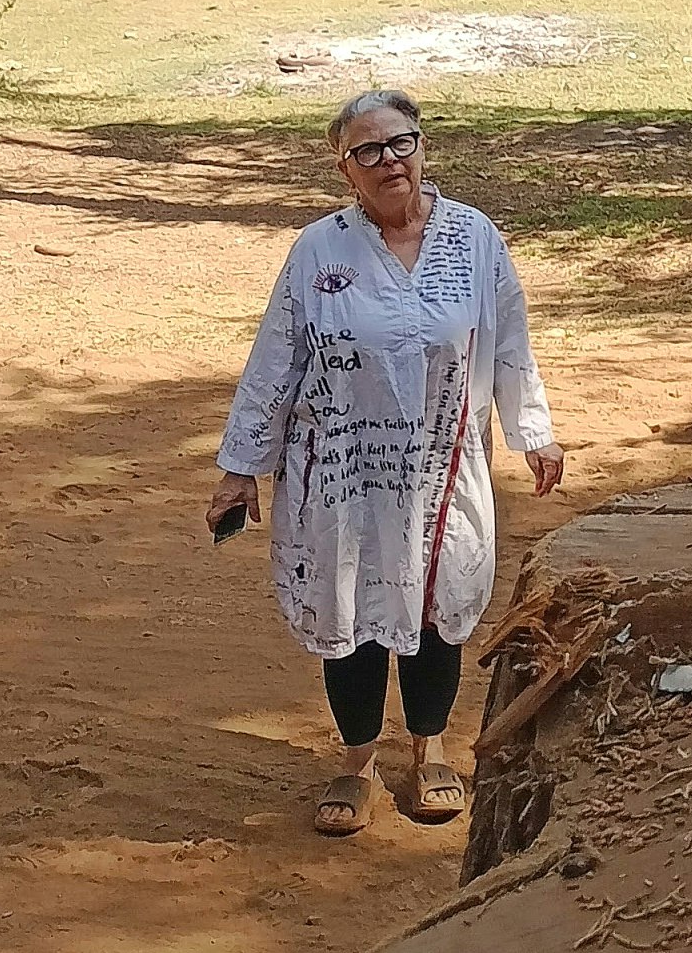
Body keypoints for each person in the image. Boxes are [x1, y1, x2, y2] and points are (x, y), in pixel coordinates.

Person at [205, 87, 565, 836]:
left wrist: (533, 430)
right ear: (345, 169)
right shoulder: (318, 250)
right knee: (351, 605)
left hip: (442, 466)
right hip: (341, 469)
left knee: (438, 604)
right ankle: (358, 761)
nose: (388, 161)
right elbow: (276, 360)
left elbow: (509, 341)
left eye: (401, 143)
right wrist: (241, 467)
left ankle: (430, 749)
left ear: (422, 148)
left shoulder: (473, 238)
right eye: (367, 150)